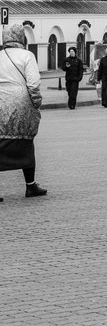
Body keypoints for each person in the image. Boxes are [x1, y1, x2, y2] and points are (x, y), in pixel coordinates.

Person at [0, 24, 47, 200]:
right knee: (26, 142)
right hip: (20, 103)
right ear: (21, 38)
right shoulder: (27, 55)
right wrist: (36, 102)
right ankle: (30, 185)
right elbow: (33, 83)